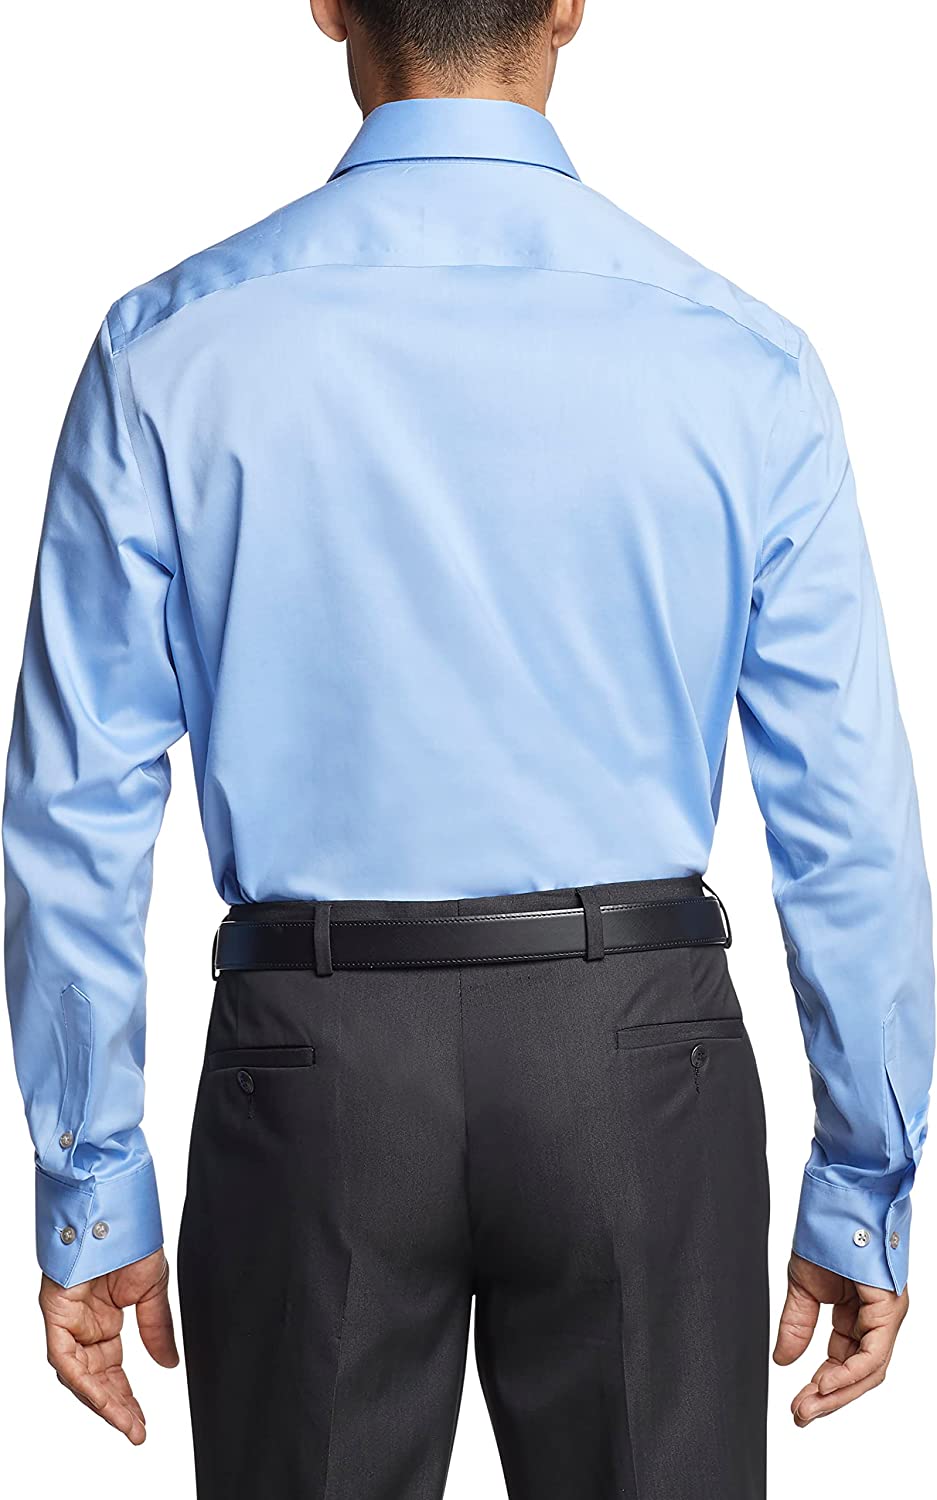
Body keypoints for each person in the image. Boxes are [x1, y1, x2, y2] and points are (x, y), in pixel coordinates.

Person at [4, 2, 933, 1496]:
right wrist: (864, 1178)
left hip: (312, 1070)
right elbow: (848, 817)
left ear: (327, 5)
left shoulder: (168, 348)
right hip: (637, 1059)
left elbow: (73, 804)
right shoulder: (742, 360)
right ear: (568, 5)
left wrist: (91, 1184)